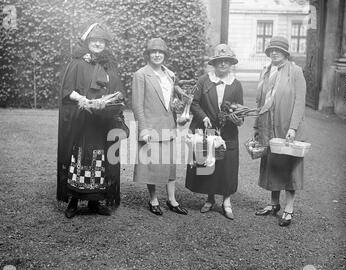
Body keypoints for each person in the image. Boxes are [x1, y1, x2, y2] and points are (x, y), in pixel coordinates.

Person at [57, 22, 127, 218]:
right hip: (81, 122)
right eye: (94, 40)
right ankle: (73, 201)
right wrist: (84, 101)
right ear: (88, 42)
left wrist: (111, 100)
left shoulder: (109, 65)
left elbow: (118, 91)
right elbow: (67, 91)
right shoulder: (77, 63)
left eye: (101, 41)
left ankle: (95, 201)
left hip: (101, 123)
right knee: (79, 157)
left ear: (106, 44)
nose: (97, 44)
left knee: (99, 159)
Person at [185, 44, 244, 220]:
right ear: (215, 63)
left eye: (226, 61)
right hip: (207, 129)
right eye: (220, 61)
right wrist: (203, 117)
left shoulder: (236, 84)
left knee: (227, 166)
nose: (223, 64)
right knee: (209, 164)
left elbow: (239, 109)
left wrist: (236, 118)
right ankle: (210, 199)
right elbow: (194, 103)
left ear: (230, 64)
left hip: (228, 132)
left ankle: (226, 202)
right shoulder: (204, 80)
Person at [253, 36, 307, 227]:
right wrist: (257, 128)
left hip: (286, 127)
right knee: (272, 166)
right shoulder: (266, 71)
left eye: (278, 50)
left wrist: (293, 127)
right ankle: (274, 204)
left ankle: (289, 208)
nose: (274, 53)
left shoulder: (295, 71)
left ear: (285, 53)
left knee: (289, 167)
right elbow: (260, 102)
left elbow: (300, 101)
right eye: (271, 50)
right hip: (268, 126)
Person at [131, 37, 188, 216]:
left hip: (168, 126)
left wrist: (180, 114)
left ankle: (172, 200)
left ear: (165, 55)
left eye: (160, 52)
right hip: (151, 127)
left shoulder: (169, 74)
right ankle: (153, 199)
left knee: (170, 166)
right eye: (153, 52)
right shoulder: (141, 74)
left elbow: (170, 102)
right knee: (152, 166)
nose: (157, 55)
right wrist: (144, 129)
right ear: (147, 55)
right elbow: (137, 105)